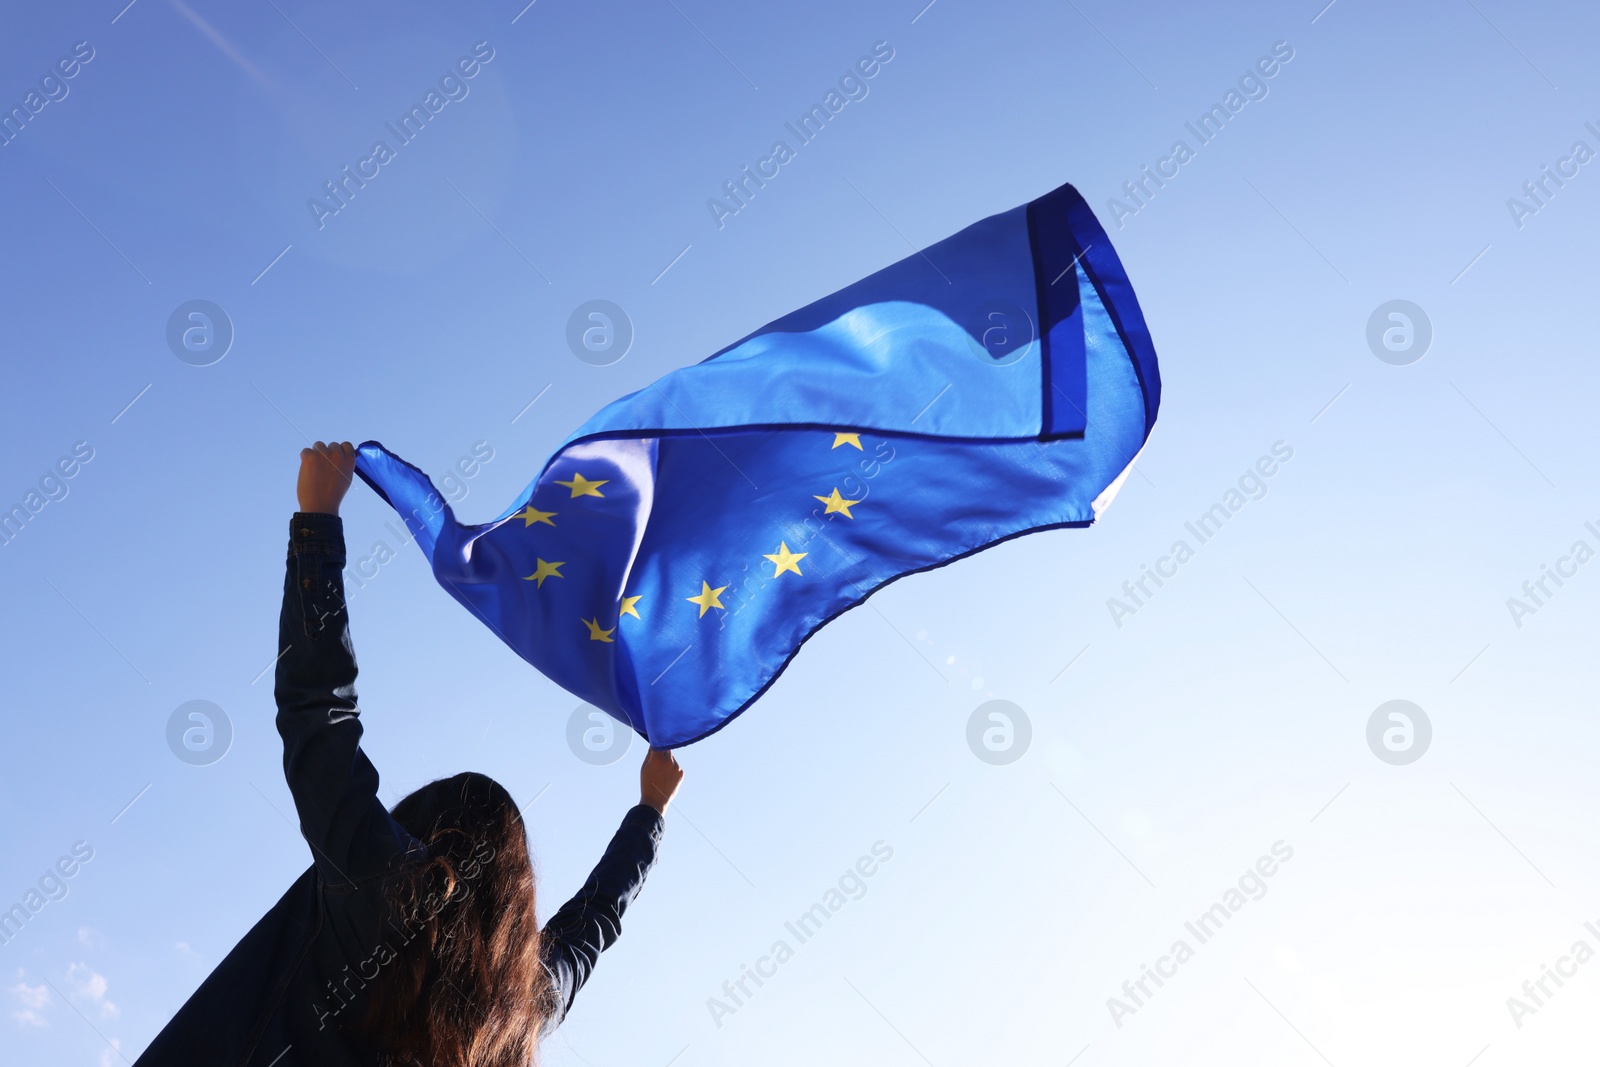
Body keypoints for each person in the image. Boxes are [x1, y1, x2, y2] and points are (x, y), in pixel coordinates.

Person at [133, 441, 682, 1067]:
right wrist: (650, 812)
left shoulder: (377, 879)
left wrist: (317, 523)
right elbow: (596, 920)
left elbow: (320, 715)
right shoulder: (523, 1005)